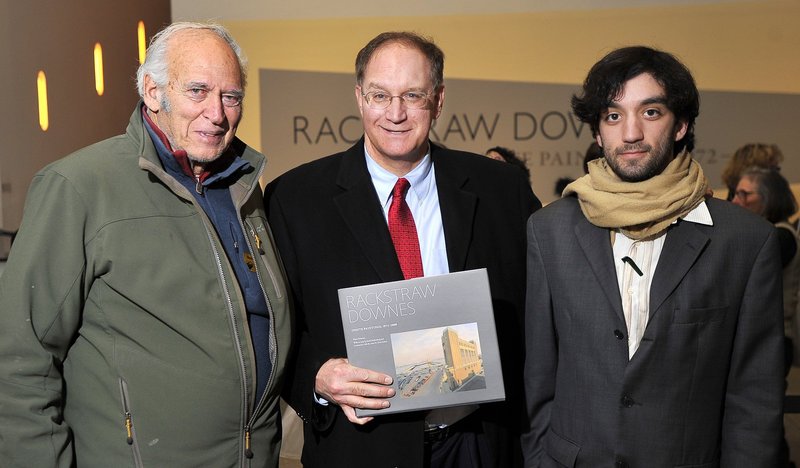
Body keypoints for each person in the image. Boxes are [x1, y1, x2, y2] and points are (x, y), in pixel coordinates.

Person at [0, 22, 291, 467]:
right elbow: (19, 361)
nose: (217, 112)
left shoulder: (245, 190)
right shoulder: (79, 186)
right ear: (153, 92)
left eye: (231, 96)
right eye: (197, 90)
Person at [265, 31, 541, 468]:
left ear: (439, 98)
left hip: (479, 443)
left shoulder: (501, 192)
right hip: (362, 448)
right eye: (380, 95)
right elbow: (272, 328)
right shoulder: (295, 199)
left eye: (413, 95)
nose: (395, 113)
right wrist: (316, 376)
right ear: (359, 97)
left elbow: (540, 315)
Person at [522, 45, 784, 467]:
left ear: (680, 124)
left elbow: (754, 399)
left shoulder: (745, 242)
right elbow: (538, 377)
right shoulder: (550, 231)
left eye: (650, 112)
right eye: (613, 115)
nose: (629, 134)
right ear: (596, 132)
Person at [733, 166, 799, 468]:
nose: (736, 201)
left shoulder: (780, 237)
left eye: (745, 194)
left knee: (765, 423)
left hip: (774, 340)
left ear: (768, 198)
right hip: (764, 339)